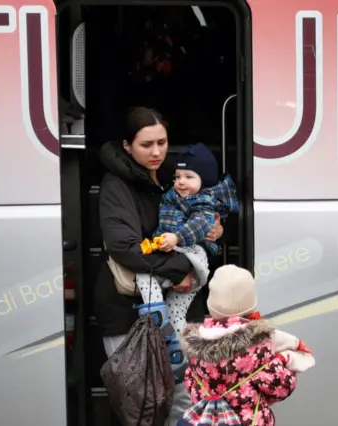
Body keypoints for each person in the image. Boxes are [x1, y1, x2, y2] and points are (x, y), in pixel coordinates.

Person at [94, 106, 223, 425]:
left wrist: (216, 231)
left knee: (186, 402)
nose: (156, 152)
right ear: (127, 146)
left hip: (178, 311)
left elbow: (200, 221)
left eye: (162, 143)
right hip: (128, 314)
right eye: (146, 145)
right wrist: (180, 269)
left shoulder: (174, 178)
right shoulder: (116, 187)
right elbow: (124, 246)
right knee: (144, 406)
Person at [136, 142, 239, 357]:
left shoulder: (205, 202)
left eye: (189, 177)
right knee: (171, 307)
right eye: (178, 176)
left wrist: (176, 237)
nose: (181, 182)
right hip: (174, 252)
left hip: (193, 256)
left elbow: (199, 225)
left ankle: (156, 314)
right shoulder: (173, 196)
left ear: (205, 181)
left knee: (154, 281)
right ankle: (169, 334)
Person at [180, 265, 303, 426]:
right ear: (251, 305)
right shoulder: (258, 346)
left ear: (211, 304)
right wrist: (283, 361)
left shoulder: (195, 345)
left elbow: (190, 385)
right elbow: (281, 388)